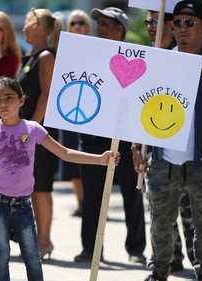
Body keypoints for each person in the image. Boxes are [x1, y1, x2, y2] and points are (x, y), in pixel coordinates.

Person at [0, 76, 120, 281]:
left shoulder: (33, 129)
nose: (3, 104)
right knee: (1, 253)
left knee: (32, 254)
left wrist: (100, 160)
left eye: (9, 98)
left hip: (23, 203)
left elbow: (65, 153)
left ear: (21, 101)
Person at [137, 1, 202, 280]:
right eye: (177, 23)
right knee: (160, 222)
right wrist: (136, 148)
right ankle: (159, 270)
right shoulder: (160, 60)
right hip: (164, 158)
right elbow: (142, 108)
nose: (182, 29)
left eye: (189, 23)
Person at [74, 6, 147, 264]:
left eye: (105, 23)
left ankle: (136, 248)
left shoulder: (140, 61)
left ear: (120, 30)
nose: (98, 27)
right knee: (92, 196)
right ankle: (91, 248)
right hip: (93, 139)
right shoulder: (88, 56)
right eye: (99, 22)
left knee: (133, 193)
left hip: (128, 140)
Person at [142, 9, 197, 271]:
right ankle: (170, 256)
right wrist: (135, 147)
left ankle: (197, 257)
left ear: (172, 24)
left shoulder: (183, 55)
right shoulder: (144, 55)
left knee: (189, 206)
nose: (152, 25)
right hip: (153, 144)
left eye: (157, 20)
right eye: (148, 21)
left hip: (182, 144)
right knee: (159, 208)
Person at [16, 8, 63, 259]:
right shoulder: (30, 56)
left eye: (26, 23)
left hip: (38, 133)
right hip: (26, 132)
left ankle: (44, 242)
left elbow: (47, 94)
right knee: (29, 187)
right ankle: (36, 239)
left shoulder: (45, 56)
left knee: (41, 188)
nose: (23, 28)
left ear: (37, 27)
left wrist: (32, 128)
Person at [59, 9, 92, 217]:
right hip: (68, 112)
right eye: (73, 23)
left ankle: (91, 203)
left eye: (81, 23)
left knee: (89, 161)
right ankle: (81, 203)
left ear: (88, 26)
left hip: (90, 112)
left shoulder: (96, 48)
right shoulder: (63, 48)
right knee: (71, 161)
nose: (77, 26)